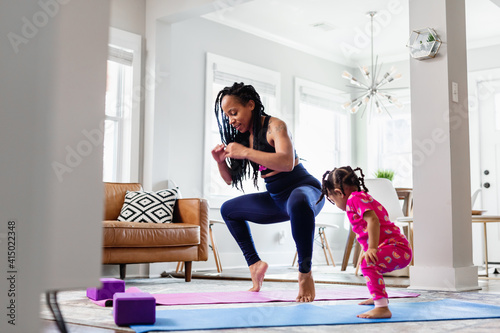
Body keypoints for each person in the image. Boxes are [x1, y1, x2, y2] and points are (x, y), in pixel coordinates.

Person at [211, 82, 324, 302]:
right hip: (276, 199)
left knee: (298, 200)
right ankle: (254, 264)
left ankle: (305, 273)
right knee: (229, 210)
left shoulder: (276, 127)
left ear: (251, 104)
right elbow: (229, 180)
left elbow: (287, 162)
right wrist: (219, 162)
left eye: (234, 112)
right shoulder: (243, 138)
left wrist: (245, 152)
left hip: (305, 192)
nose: (231, 119)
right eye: (227, 116)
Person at [317, 166, 412, 319]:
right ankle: (378, 297)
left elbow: (373, 220)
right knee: (369, 264)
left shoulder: (355, 198)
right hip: (397, 248)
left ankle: (382, 308)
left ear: (339, 193)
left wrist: (373, 248)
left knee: (367, 263)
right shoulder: (361, 198)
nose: (335, 204)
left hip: (398, 248)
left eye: (333, 200)